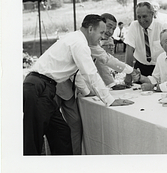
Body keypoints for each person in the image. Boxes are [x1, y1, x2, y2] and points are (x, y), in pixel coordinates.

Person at [23, 14, 115, 155]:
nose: (102, 37)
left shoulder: (75, 38)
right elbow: (90, 74)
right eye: (101, 32)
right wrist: (110, 100)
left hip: (45, 87)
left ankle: (62, 170)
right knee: (33, 140)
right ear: (91, 29)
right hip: (38, 87)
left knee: (62, 133)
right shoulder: (79, 43)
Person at [54, 13, 136, 154]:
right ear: (96, 27)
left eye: (112, 29)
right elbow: (85, 71)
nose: (109, 33)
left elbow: (107, 59)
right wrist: (89, 92)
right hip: (58, 86)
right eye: (105, 29)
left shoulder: (90, 43)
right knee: (62, 126)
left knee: (70, 125)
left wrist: (130, 71)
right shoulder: (81, 43)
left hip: (68, 86)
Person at [124, 1, 167, 84]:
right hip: (140, 67)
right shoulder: (134, 26)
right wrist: (128, 74)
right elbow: (129, 51)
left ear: (152, 14)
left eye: (144, 16)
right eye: (138, 17)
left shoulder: (162, 26)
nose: (141, 20)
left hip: (159, 67)